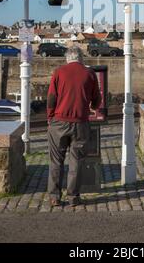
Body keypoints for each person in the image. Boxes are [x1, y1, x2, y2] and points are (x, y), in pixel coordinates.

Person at [47, 46, 101, 207]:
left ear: (67, 58)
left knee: (56, 160)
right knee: (76, 161)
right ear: (81, 58)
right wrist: (92, 106)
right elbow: (97, 100)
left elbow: (51, 98)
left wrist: (50, 118)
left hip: (59, 122)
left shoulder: (59, 72)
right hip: (80, 123)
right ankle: (73, 197)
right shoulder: (90, 74)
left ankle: (54, 197)